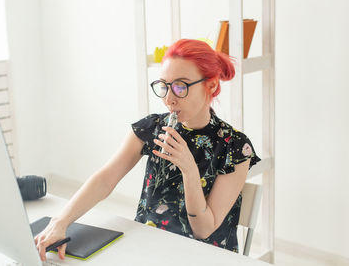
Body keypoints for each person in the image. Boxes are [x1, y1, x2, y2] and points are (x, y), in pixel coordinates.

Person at [34, 39, 261, 261]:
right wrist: (60, 222)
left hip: (203, 256)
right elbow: (105, 179)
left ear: (210, 85)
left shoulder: (235, 146)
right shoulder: (152, 127)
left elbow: (203, 231)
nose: (169, 99)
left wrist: (190, 171)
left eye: (181, 87)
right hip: (146, 248)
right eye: (164, 86)